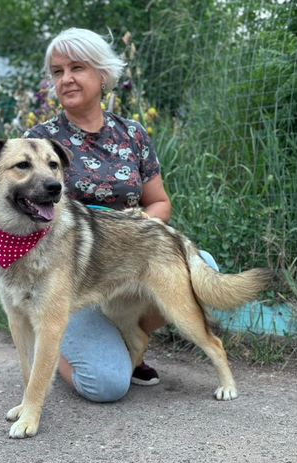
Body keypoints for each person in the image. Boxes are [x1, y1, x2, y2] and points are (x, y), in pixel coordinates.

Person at [24, 27, 216, 402]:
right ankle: (50, 349)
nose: (66, 79)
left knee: (202, 267)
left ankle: (127, 338)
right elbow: (28, 211)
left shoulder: (132, 134)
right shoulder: (40, 140)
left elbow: (160, 202)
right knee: (107, 385)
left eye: (76, 68)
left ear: (102, 75)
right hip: (70, 276)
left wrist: (140, 227)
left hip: (125, 263)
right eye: (58, 72)